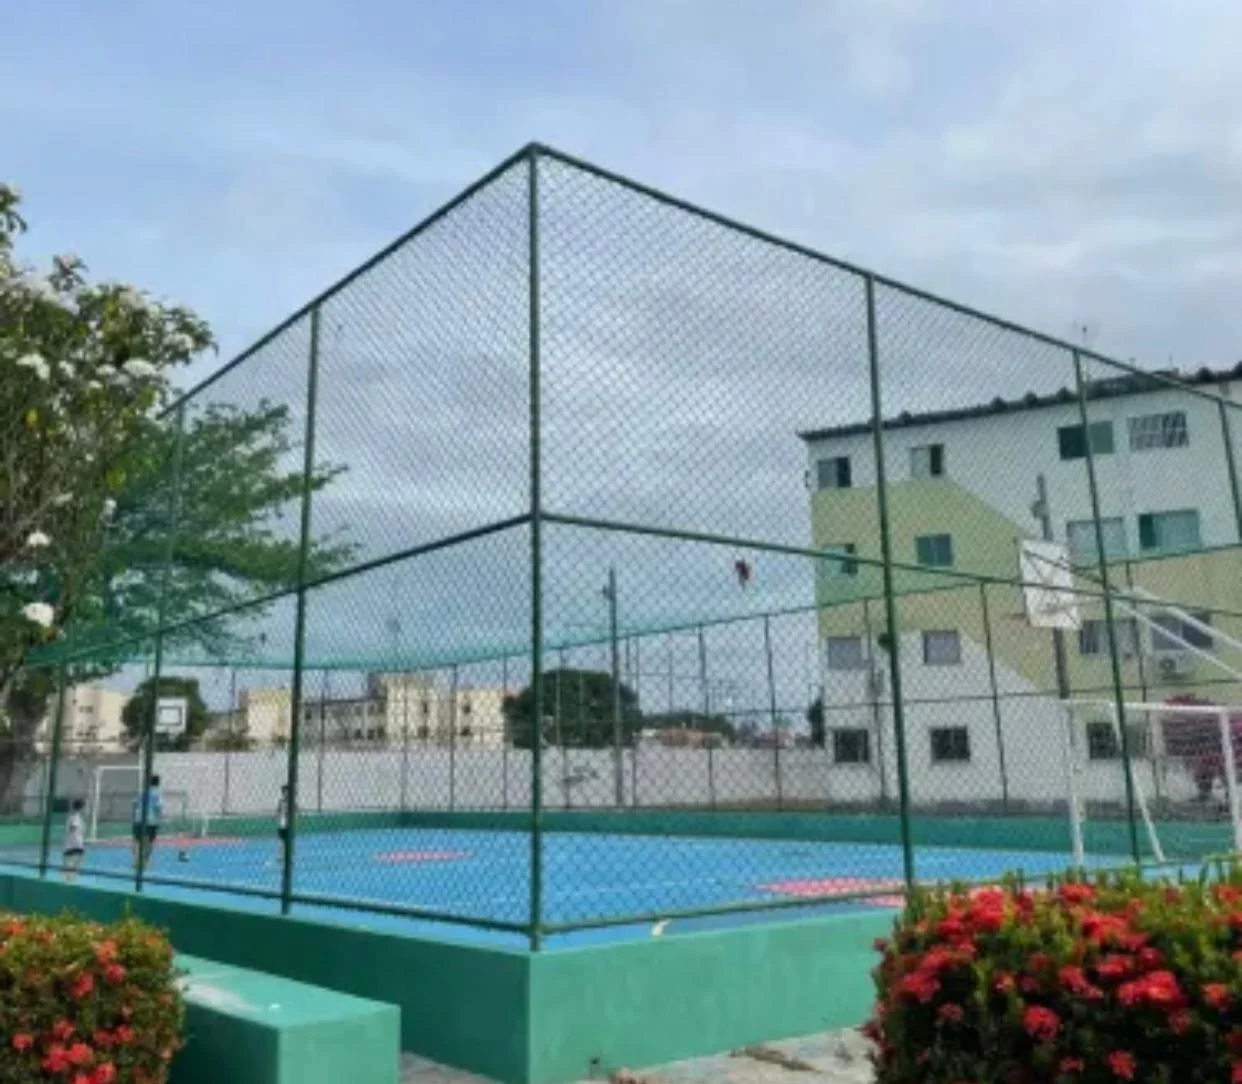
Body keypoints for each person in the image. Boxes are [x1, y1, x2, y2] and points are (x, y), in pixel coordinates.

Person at [131, 774, 163, 872]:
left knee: (136, 840)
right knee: (149, 842)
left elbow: (134, 804)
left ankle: (136, 861)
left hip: (139, 819)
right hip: (152, 821)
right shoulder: (157, 794)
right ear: (158, 783)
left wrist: (134, 816)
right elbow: (158, 808)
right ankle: (145, 862)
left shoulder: (142, 793)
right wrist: (159, 819)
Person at [63, 798, 85, 883]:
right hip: (75, 846)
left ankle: (69, 881)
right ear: (81, 808)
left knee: (69, 868)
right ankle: (70, 881)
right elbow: (73, 828)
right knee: (73, 867)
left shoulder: (72, 817)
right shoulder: (76, 817)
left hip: (71, 845)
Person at [276, 784, 290, 862]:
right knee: (282, 842)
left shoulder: (291, 802)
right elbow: (278, 811)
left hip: (288, 824)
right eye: (284, 792)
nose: (286, 793)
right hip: (282, 823)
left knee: (288, 841)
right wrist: (278, 819)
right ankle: (281, 856)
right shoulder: (281, 802)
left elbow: (296, 810)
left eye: (287, 791)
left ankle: (288, 856)